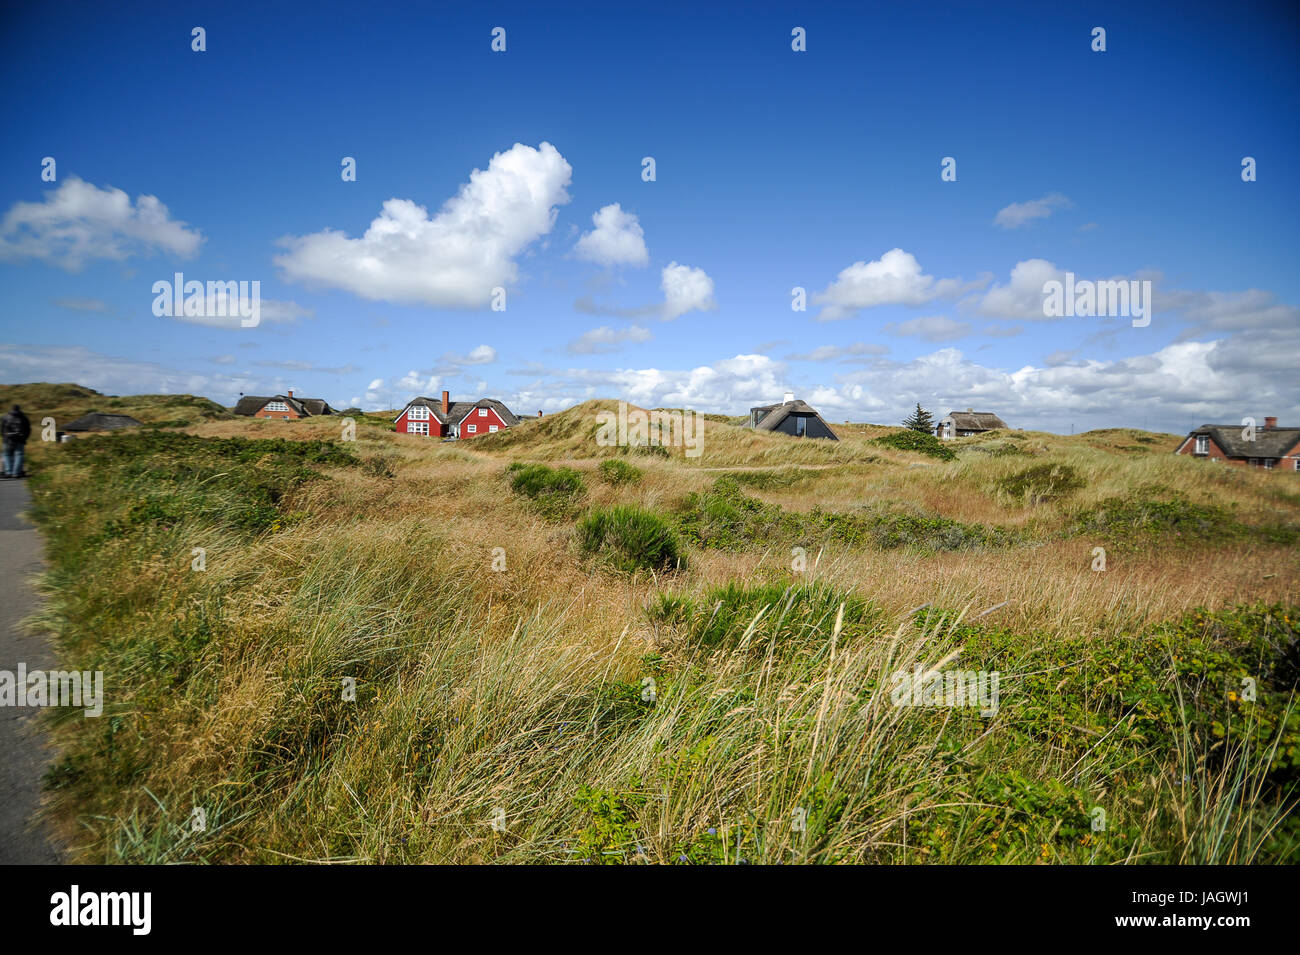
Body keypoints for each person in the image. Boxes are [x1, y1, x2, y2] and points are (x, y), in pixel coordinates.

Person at [1, 404, 31, 479]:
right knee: (19, 455)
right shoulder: (23, 417)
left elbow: (2, 428)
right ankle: (16, 473)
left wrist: (4, 437)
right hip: (20, 439)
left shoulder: (6, 416)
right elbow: (28, 429)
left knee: (6, 455)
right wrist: (25, 438)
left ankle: (8, 472)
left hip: (7, 439)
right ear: (19, 409)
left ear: (11, 409)